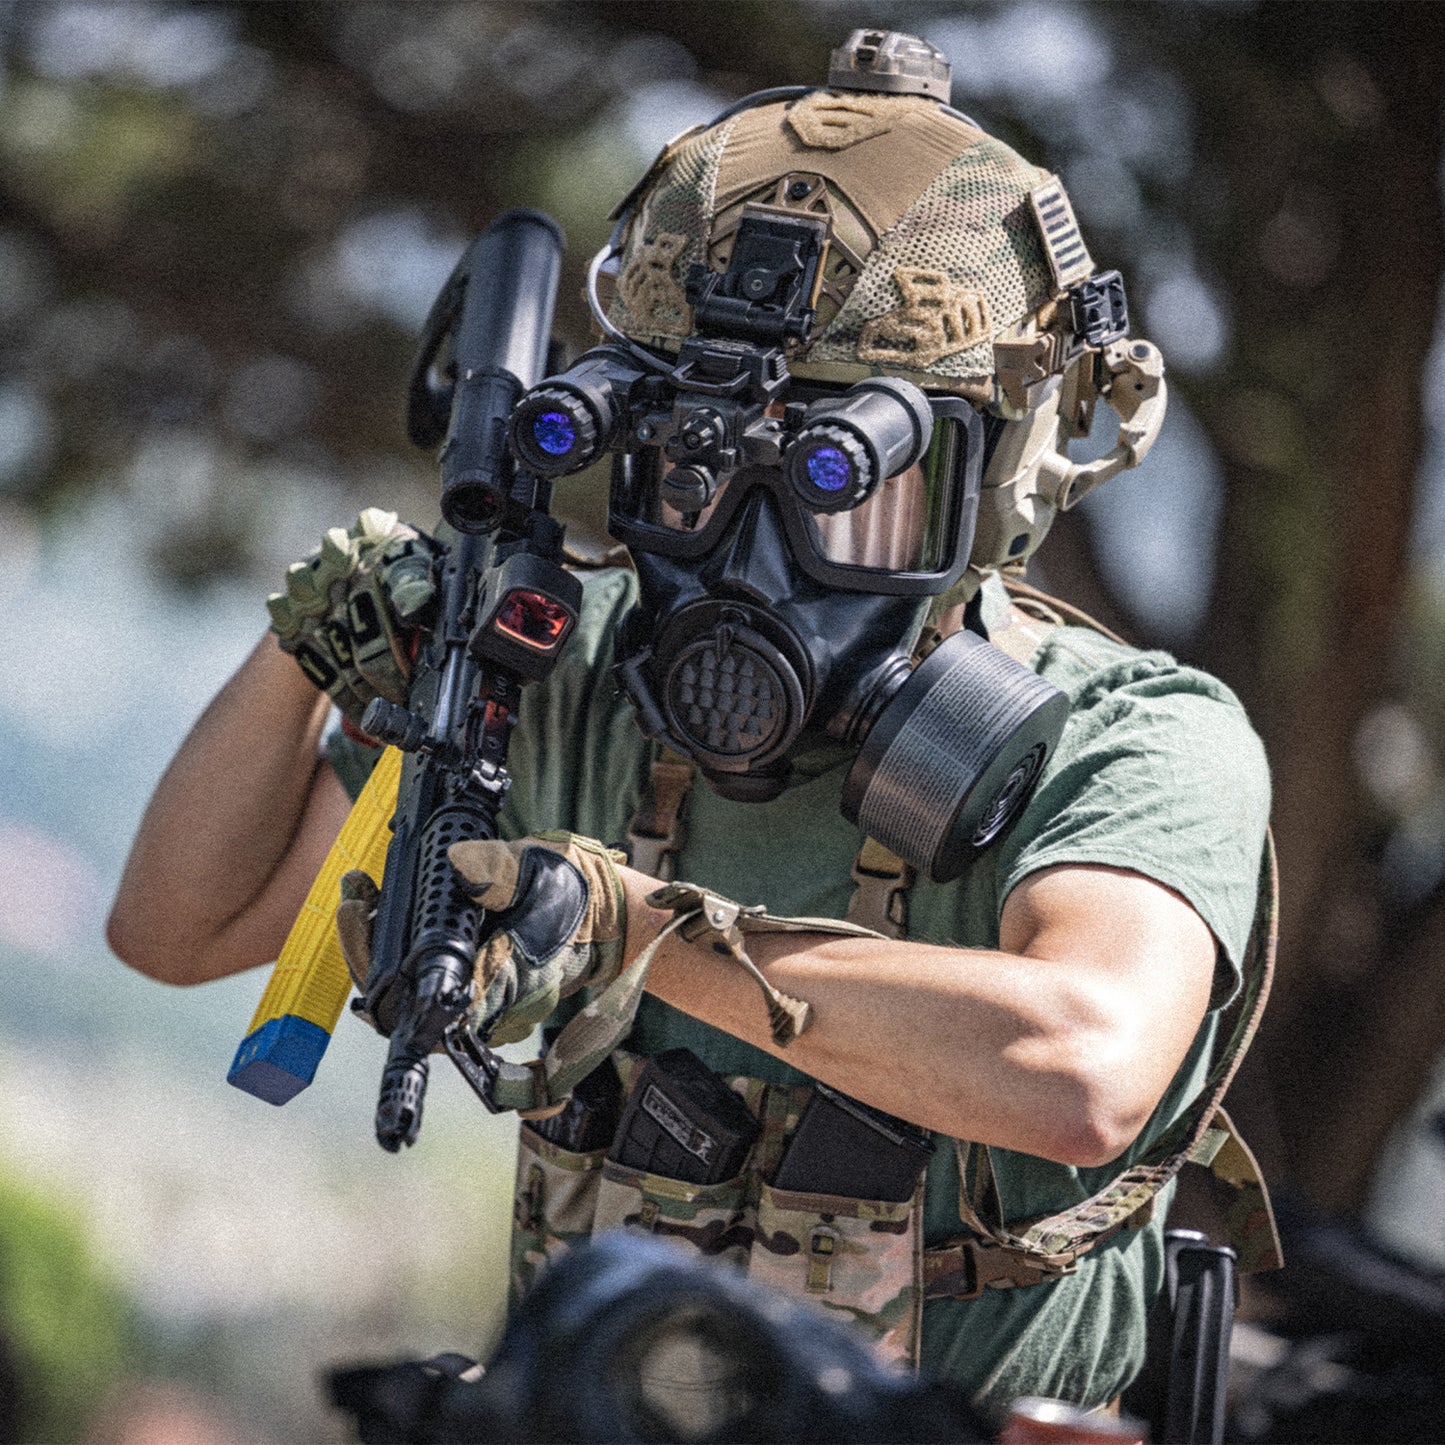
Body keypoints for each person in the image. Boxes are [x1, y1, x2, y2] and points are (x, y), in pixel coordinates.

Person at [109, 30, 1274, 1426]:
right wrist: (306, 646)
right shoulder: (568, 673)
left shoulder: (1130, 738)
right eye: (686, 475)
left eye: (843, 488)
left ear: (996, 487)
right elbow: (177, 926)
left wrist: (632, 930)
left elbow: (1079, 1067)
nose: (749, 557)